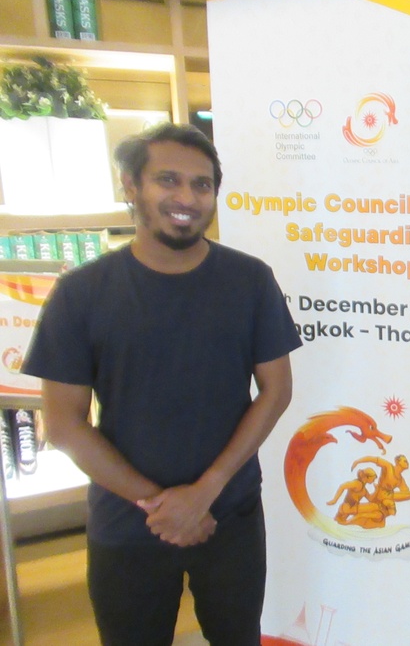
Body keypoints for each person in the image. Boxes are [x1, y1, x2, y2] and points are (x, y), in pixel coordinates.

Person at [22, 123, 302, 646]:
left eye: (202, 185)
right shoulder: (80, 293)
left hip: (230, 515)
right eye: (167, 180)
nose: (187, 197)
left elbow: (276, 391)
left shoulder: (250, 280)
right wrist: (160, 505)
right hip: (127, 522)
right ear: (130, 186)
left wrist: (207, 491)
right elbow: (62, 424)